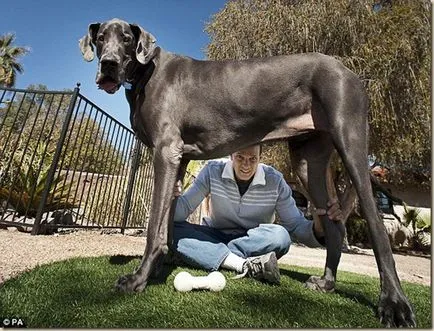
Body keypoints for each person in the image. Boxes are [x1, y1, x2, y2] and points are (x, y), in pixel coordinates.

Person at [172, 144, 342, 285]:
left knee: (281, 236)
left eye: (252, 159)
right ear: (231, 155)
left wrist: (319, 228)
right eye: (240, 157)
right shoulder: (212, 171)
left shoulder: (275, 181)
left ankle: (204, 254)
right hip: (214, 235)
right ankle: (242, 264)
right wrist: (170, 198)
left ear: (260, 158)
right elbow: (184, 208)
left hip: (253, 241)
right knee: (169, 227)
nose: (246, 165)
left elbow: (296, 226)